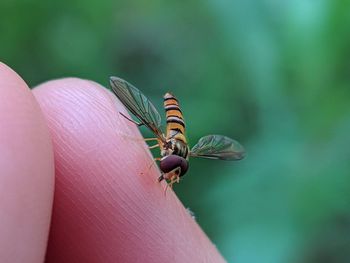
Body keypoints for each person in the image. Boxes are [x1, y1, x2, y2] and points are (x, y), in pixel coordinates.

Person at [0, 62, 226, 263]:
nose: (173, 174)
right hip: (171, 120)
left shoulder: (175, 155)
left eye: (175, 173)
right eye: (174, 171)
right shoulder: (166, 142)